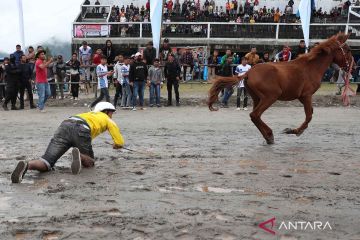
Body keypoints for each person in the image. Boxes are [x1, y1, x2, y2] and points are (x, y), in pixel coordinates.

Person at [11, 102, 125, 184]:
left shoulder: (86, 114)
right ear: (106, 111)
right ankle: (80, 156)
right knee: (90, 163)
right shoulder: (107, 119)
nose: (112, 115)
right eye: (111, 112)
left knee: (46, 162)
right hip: (82, 129)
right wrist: (117, 145)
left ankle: (27, 164)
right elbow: (119, 142)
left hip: (65, 125)